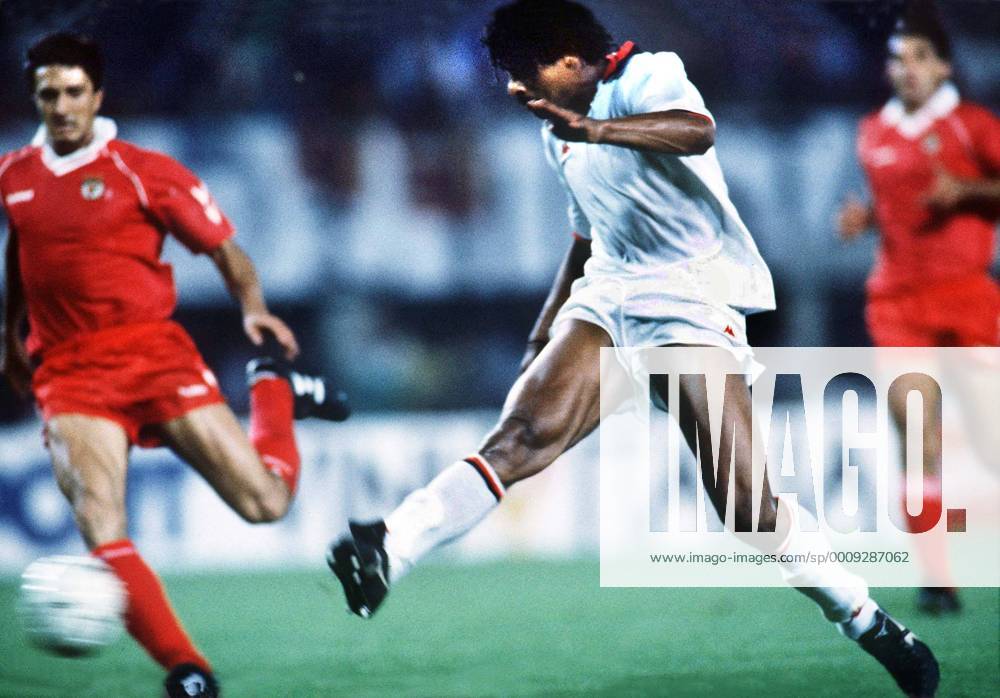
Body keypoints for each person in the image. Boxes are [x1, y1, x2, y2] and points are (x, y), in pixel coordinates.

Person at [329, 2, 939, 695]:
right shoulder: (553, 131)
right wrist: (544, 330)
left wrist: (592, 128)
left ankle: (864, 618)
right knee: (520, 437)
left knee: (747, 509)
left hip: (689, 297)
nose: (511, 89)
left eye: (520, 73)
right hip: (612, 295)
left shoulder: (649, 76)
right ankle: (391, 547)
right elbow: (586, 239)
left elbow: (696, 132)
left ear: (566, 59)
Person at [0, 33, 349, 697]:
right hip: (70, 375)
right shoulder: (13, 175)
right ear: (35, 99)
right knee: (101, 523)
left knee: (266, 502)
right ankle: (189, 672)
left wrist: (253, 309)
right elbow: (24, 250)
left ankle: (277, 390)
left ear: (97, 96)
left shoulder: (146, 171)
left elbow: (225, 250)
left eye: (75, 92)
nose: (63, 106)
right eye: (49, 94)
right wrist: (7, 330)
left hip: (154, 356)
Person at [837, 6, 1000, 615]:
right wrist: (868, 220)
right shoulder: (872, 131)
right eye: (896, 59)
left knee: (990, 442)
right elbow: (900, 208)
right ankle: (938, 580)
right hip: (898, 302)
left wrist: (970, 192)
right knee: (916, 435)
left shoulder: (974, 126)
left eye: (918, 59)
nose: (905, 71)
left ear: (944, 66)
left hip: (968, 297)